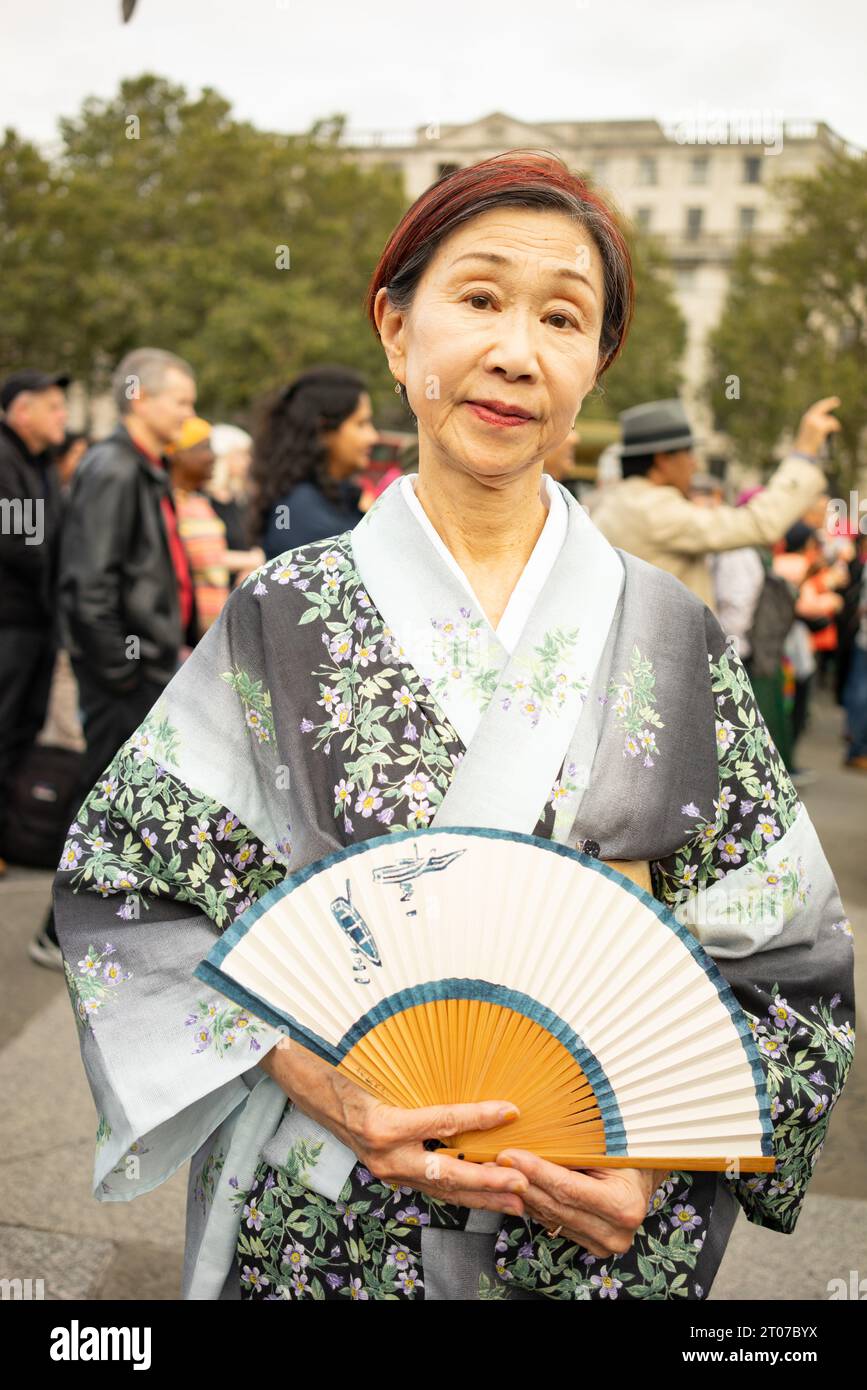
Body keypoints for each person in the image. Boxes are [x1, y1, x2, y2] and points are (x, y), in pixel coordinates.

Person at [51, 152, 854, 1302]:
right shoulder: (286, 615)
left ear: (596, 364)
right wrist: (317, 1071)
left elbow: (796, 961)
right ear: (396, 329)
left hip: (585, 1240)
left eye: (563, 318)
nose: (516, 353)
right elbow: (126, 884)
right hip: (332, 1229)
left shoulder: (672, 636)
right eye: (478, 298)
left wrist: (663, 1148)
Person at [30, 349, 198, 967]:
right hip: (123, 672)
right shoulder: (115, 468)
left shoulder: (141, 467)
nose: (189, 414)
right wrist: (118, 668)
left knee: (122, 798)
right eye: (180, 400)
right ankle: (59, 930)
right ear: (140, 398)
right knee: (104, 797)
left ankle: (86, 921)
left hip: (144, 664)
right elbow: (87, 582)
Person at [591, 397, 838, 609]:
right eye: (688, 453)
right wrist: (803, 454)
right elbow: (758, 524)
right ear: (663, 459)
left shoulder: (619, 501)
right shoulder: (652, 508)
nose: (694, 464)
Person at [0, 369, 70, 880]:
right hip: (11, 625)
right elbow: (22, 542)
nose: (61, 416)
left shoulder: (37, 463)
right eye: (52, 407)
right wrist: (70, 566)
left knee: (21, 730)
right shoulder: (5, 458)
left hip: (34, 623)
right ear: (21, 411)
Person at [249, 366, 379, 557]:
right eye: (361, 424)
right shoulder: (301, 515)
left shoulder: (335, 499)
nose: (373, 437)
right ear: (323, 430)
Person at [168, 418, 233, 635]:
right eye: (204, 447)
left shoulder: (200, 502)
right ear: (179, 454)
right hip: (184, 635)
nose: (212, 456)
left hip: (211, 634)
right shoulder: (166, 506)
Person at [206, 424, 264, 586]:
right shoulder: (203, 500)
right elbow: (204, 554)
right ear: (222, 457)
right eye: (240, 455)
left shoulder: (241, 500)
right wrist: (250, 561)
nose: (248, 461)